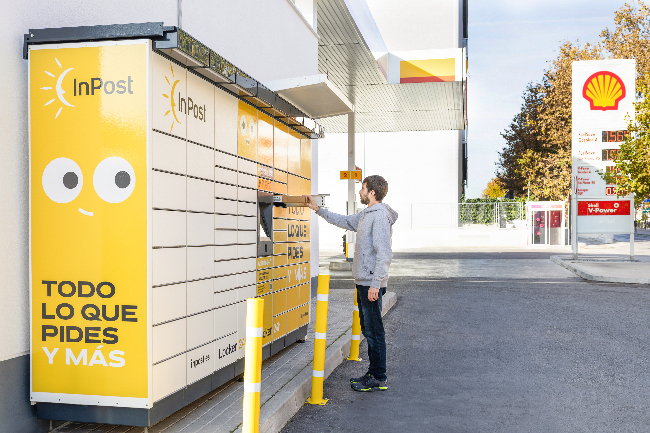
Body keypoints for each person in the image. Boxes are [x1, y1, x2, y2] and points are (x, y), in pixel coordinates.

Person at [305, 175, 398, 392]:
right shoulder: (367, 215)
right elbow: (344, 221)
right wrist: (318, 209)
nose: (360, 192)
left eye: (363, 188)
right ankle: (375, 372)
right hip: (365, 280)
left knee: (374, 331)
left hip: (370, 282)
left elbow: (384, 252)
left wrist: (376, 284)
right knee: (368, 328)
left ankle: (379, 376)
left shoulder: (379, 216)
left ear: (372, 193)